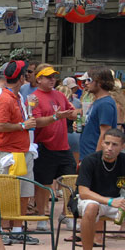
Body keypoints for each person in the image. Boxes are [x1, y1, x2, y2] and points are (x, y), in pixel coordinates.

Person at [0, 60, 39, 245]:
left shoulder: (17, 97)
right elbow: (0, 125)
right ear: (21, 78)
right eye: (26, 73)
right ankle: (3, 230)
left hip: (22, 151)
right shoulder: (5, 98)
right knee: (5, 194)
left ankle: (18, 230)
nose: (28, 75)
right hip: (9, 154)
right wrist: (22, 126)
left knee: (23, 193)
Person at [31, 64, 77, 230]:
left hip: (63, 146)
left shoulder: (59, 95)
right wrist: (55, 117)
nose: (52, 79)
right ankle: (42, 217)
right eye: (48, 77)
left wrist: (72, 113)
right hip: (45, 146)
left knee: (70, 182)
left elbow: (72, 112)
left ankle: (68, 214)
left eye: (53, 77)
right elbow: (36, 122)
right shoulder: (34, 97)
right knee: (43, 184)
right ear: (39, 79)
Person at [79, 66, 117, 160]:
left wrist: (96, 159)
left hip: (93, 156)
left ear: (100, 82)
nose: (86, 83)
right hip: (87, 155)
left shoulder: (105, 104)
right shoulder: (98, 102)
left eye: (89, 80)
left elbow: (105, 132)